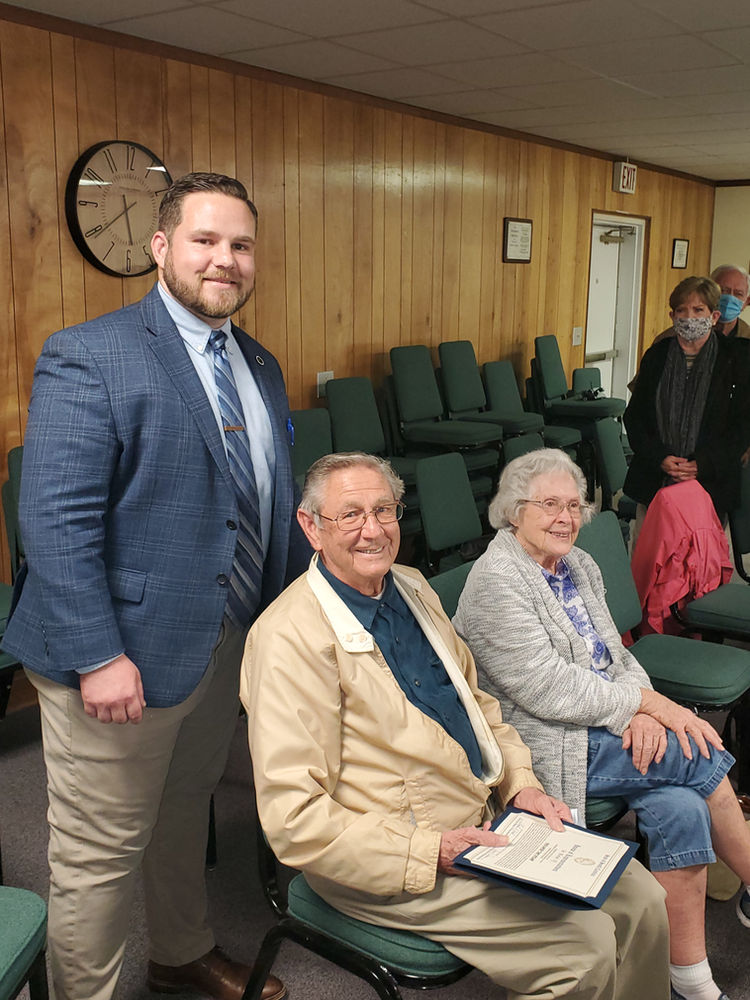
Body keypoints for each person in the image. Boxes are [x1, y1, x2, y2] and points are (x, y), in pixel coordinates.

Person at [2, 172, 309, 1000]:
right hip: (117, 657)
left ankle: (180, 952)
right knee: (99, 857)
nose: (225, 260)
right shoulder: (90, 353)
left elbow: (269, 498)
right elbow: (56, 522)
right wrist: (98, 653)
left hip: (220, 638)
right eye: (206, 241)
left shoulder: (259, 361)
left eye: (241, 245)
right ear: (162, 247)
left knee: (184, 811)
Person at [241, 451, 671, 1000]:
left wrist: (523, 784)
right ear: (311, 527)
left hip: (486, 817)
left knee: (643, 901)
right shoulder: (286, 640)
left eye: (384, 510)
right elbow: (295, 819)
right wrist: (431, 850)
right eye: (349, 515)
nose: (371, 530)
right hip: (393, 854)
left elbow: (481, 708)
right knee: (582, 952)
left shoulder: (412, 587)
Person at [453, 448, 750, 1000]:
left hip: (603, 723)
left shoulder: (578, 566)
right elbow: (546, 688)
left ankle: (689, 978)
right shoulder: (496, 582)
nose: (565, 517)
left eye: (573, 504)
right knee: (700, 753)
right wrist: (648, 706)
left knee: (681, 805)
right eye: (549, 505)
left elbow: (616, 653)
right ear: (513, 511)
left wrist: (644, 704)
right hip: (545, 742)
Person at [624, 275, 750, 525]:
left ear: (714, 317)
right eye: (681, 310)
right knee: (650, 559)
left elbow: (742, 427)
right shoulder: (657, 356)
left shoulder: (737, 358)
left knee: (700, 560)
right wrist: (660, 457)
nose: (689, 317)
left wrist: (701, 464)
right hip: (655, 480)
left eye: (698, 310)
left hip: (711, 484)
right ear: (672, 316)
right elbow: (635, 417)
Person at [651, 266, 750, 345]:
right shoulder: (668, 340)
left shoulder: (746, 339)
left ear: (747, 301)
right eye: (723, 291)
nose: (729, 299)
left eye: (738, 294)